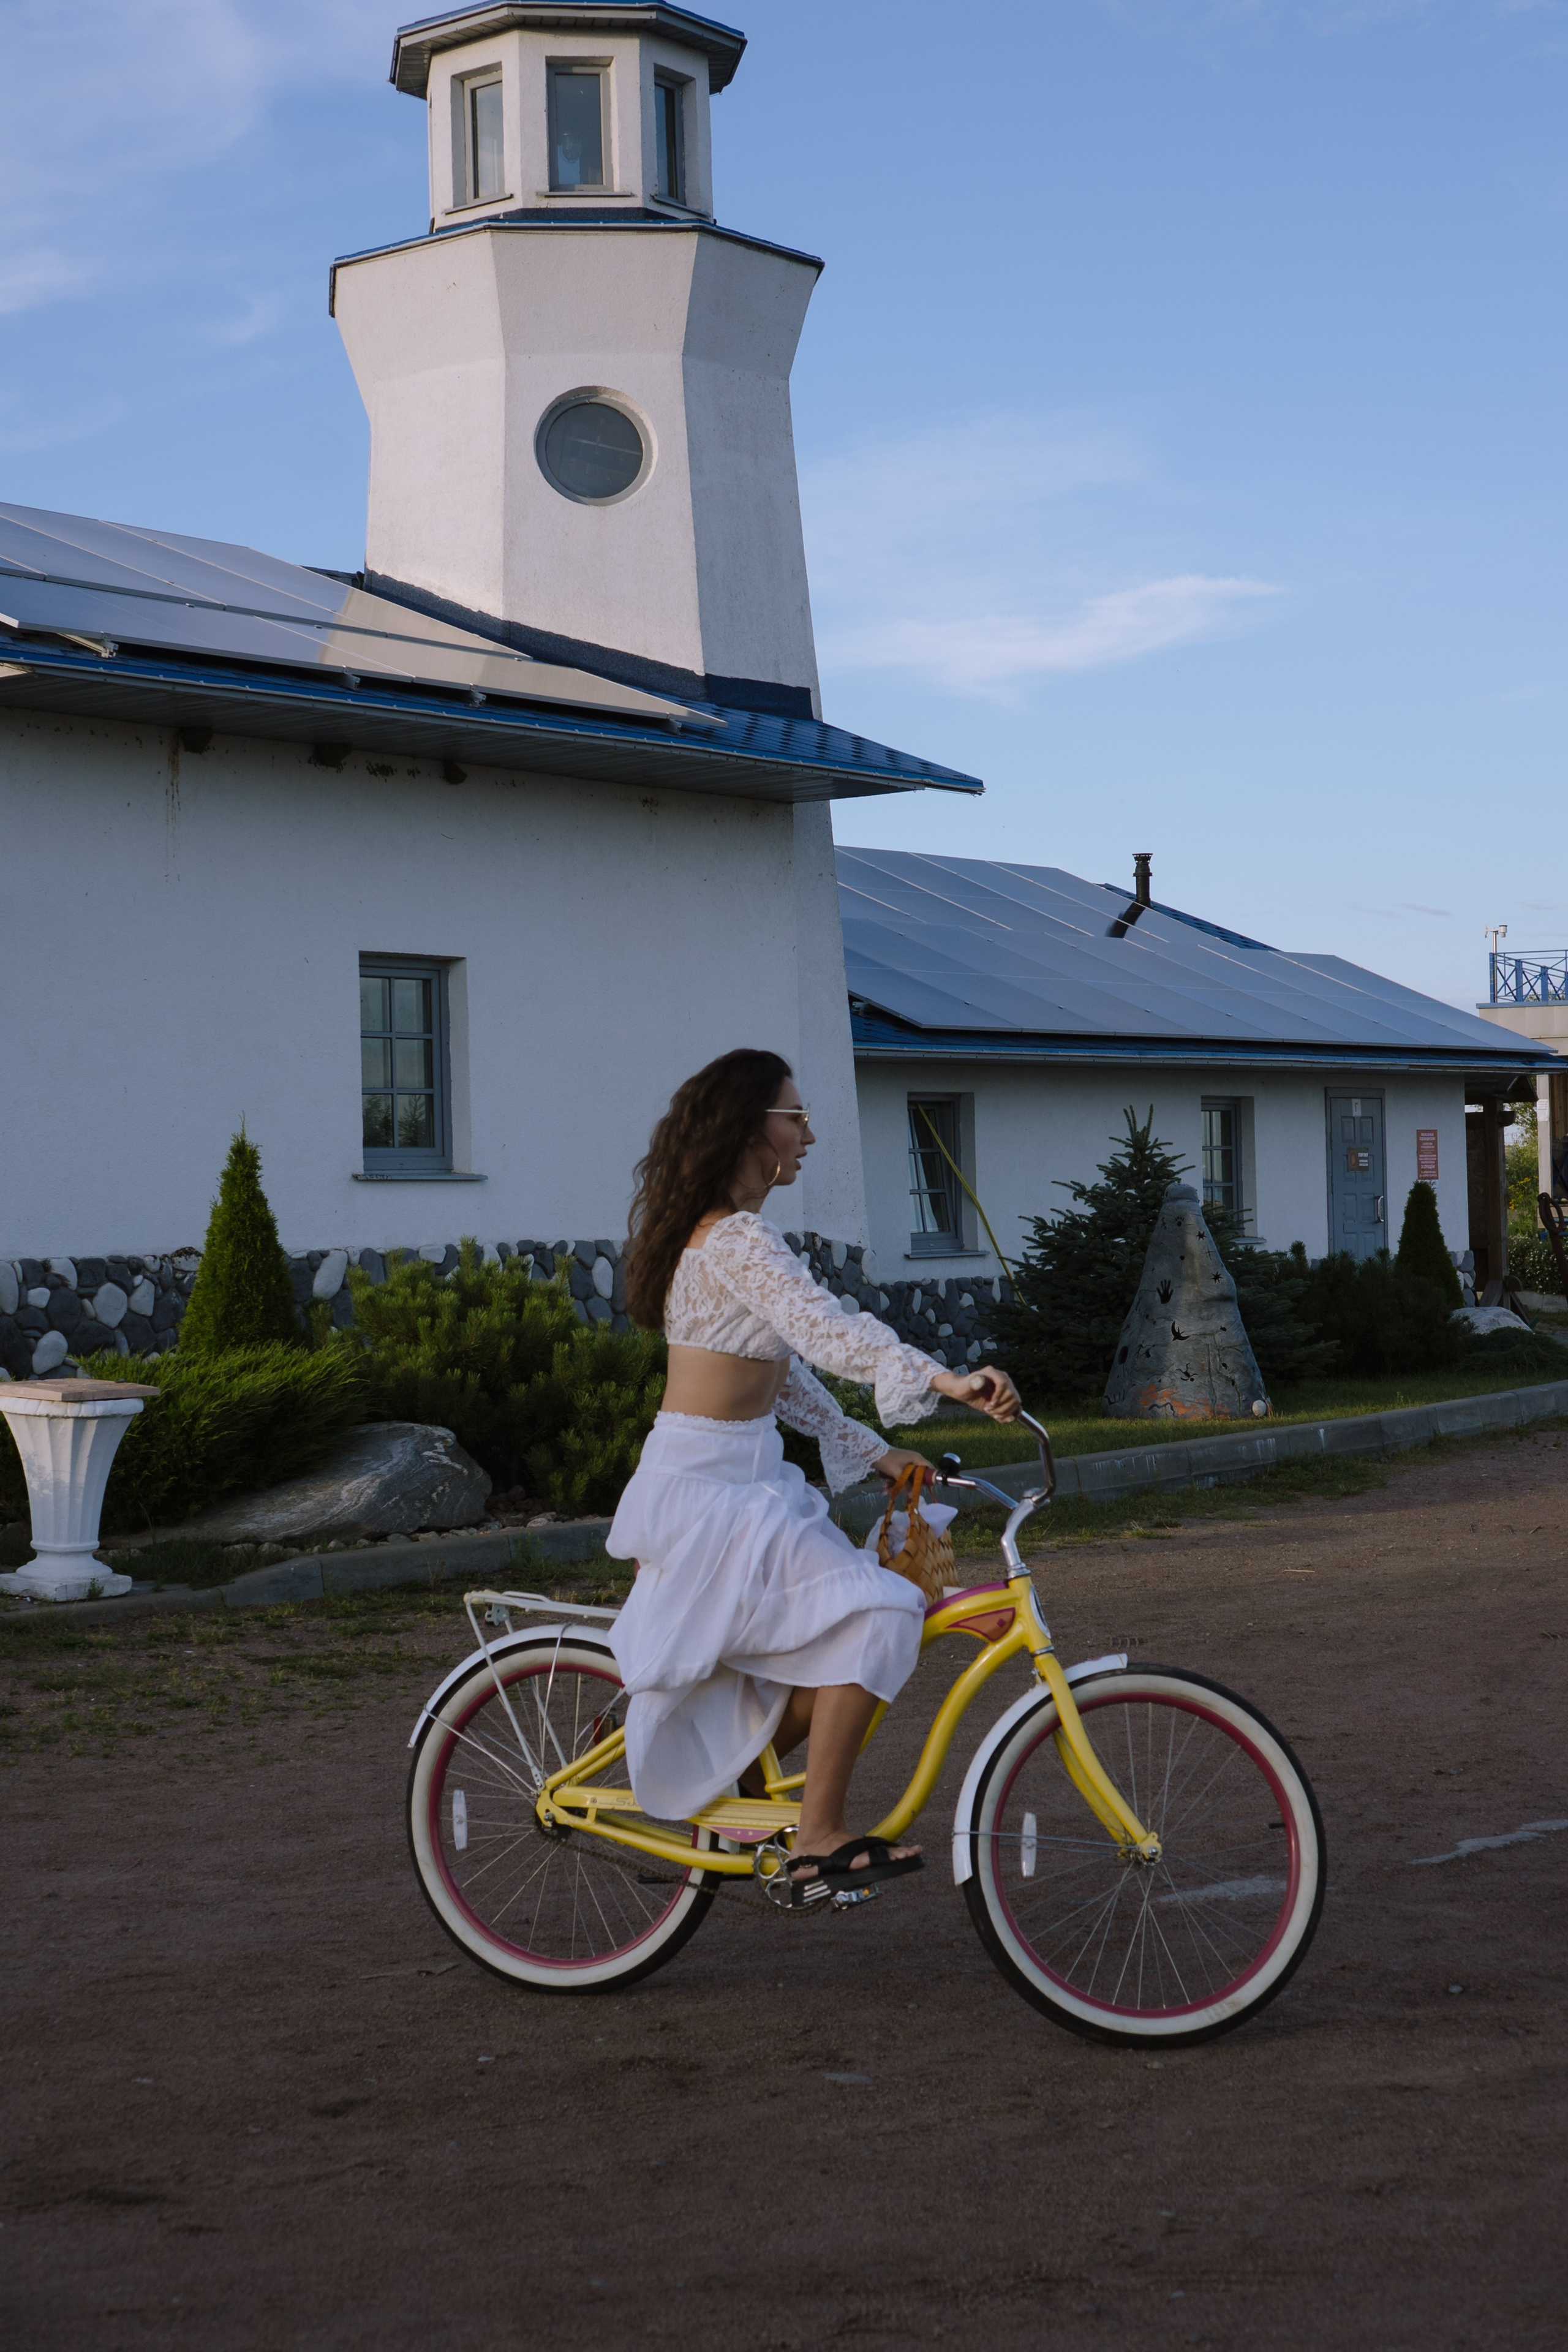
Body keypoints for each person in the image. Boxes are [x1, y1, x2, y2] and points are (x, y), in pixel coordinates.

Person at [606, 1048, 1021, 1904]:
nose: (811, 1135)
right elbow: (827, 1329)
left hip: (735, 1479)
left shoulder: (723, 1238)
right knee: (880, 1611)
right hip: (712, 1492)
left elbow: (780, 1368)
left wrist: (871, 1447)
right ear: (752, 1125)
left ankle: (749, 1795)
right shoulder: (736, 1238)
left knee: (844, 1629)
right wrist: (945, 1379)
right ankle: (817, 1837)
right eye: (796, 1118)